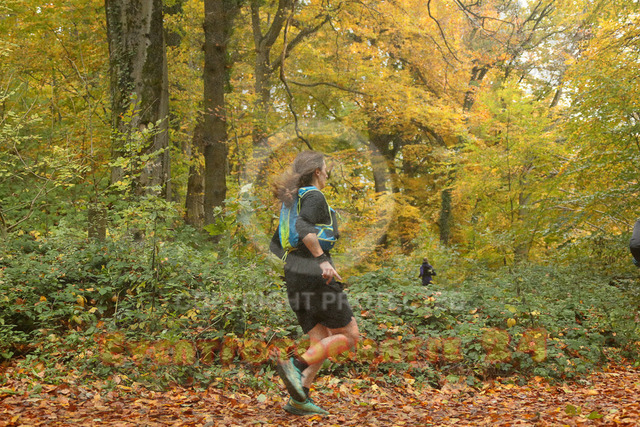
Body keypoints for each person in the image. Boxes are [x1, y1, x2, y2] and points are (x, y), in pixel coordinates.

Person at [270, 150, 359, 416]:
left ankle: (300, 398)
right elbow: (303, 227)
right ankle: (295, 366)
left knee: (320, 340)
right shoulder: (314, 196)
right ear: (317, 171)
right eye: (325, 168)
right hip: (315, 274)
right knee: (350, 336)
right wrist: (320, 260)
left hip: (294, 274)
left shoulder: (291, 202)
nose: (328, 173)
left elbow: (276, 246)